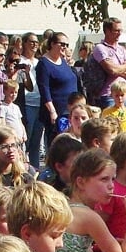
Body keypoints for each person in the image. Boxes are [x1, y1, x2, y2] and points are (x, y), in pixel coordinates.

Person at [36, 32, 79, 168]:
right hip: (56, 111)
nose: (64, 47)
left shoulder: (64, 61)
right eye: (61, 44)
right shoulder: (44, 63)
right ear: (52, 44)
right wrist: (52, 111)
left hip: (70, 110)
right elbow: (44, 89)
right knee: (56, 145)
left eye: (66, 45)